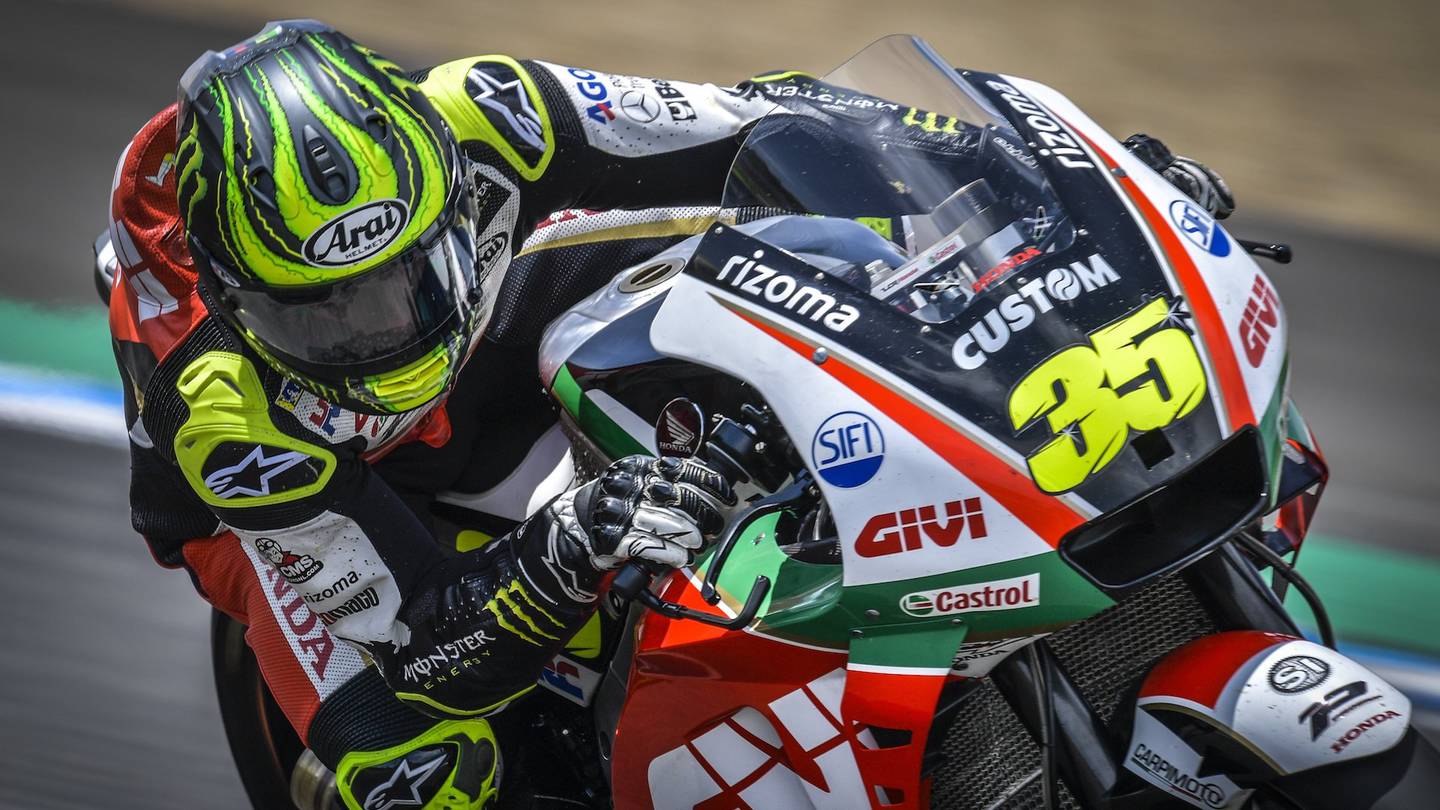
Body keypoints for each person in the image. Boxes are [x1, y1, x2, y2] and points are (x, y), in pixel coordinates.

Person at [102, 19, 1234, 809]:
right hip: (284, 497)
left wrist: (1047, 178)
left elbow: (766, 120)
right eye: (325, 316)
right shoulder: (224, 411)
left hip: (495, 331)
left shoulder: (493, 111)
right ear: (241, 298)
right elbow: (415, 648)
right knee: (411, 771)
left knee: (784, 264)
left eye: (400, 283)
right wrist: (560, 553)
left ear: (445, 187)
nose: (377, 333)